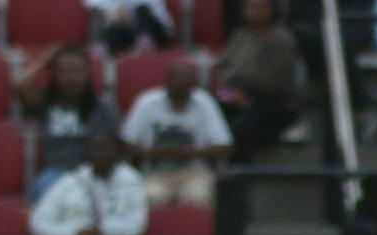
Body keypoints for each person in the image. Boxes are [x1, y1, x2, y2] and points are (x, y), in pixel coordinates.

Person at [120, 63, 233, 210]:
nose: (181, 87)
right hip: (155, 174)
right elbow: (125, 143)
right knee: (150, 196)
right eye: (176, 82)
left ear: (193, 85)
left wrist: (190, 153)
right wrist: (152, 154)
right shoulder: (146, 102)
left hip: (195, 173)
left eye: (186, 84)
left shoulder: (205, 102)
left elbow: (226, 146)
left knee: (198, 196)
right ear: (166, 83)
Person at [18, 47, 120, 202]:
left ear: (87, 75)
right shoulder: (45, 104)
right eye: (65, 72)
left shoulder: (102, 107)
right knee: (40, 191)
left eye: (78, 72)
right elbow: (20, 85)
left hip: (94, 172)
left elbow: (116, 145)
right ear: (55, 75)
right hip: (56, 172)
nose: (72, 78)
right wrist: (44, 63)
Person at [219, 0, 304, 162]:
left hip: (272, 101)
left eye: (259, 8)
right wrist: (229, 93)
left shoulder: (281, 39)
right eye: (249, 7)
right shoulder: (240, 35)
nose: (253, 12)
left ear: (271, 10)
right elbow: (224, 69)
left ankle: (241, 172)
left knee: (242, 126)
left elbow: (277, 82)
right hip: (235, 95)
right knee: (213, 106)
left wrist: (243, 93)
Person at [87, 0, 174, 54]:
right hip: (124, 34)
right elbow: (94, 6)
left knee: (142, 10)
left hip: (156, 34)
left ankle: (144, 41)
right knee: (112, 27)